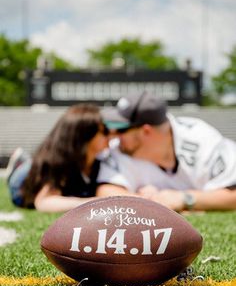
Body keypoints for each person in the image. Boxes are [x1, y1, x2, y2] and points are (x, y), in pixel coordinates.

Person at [97, 91, 236, 211]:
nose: (113, 135)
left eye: (121, 129)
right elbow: (105, 191)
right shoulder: (120, 148)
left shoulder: (202, 139)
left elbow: (232, 194)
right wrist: (149, 202)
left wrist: (185, 199)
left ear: (146, 131)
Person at [7, 104, 109, 212]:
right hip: (22, 183)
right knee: (29, 166)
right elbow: (43, 202)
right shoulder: (60, 161)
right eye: (104, 131)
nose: (110, 135)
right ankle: (19, 161)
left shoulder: (99, 160)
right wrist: (94, 203)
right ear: (85, 136)